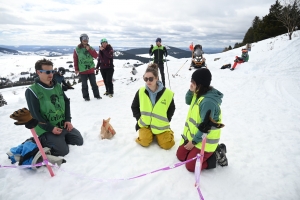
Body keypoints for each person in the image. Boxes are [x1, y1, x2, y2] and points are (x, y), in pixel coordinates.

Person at [25, 58, 83, 157]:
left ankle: (58, 139)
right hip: (46, 128)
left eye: (52, 71)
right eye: (47, 72)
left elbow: (66, 102)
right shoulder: (32, 91)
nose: (51, 74)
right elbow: (35, 115)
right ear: (38, 72)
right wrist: (50, 128)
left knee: (78, 141)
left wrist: (68, 120)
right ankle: (39, 140)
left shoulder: (57, 86)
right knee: (62, 152)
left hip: (61, 124)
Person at [176, 68, 228, 172]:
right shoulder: (199, 92)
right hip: (196, 137)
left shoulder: (207, 102)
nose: (191, 83)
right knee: (180, 156)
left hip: (205, 141)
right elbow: (187, 101)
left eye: (193, 82)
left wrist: (193, 142)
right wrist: (191, 90)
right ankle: (199, 152)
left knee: (190, 166)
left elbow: (206, 127)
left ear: (199, 84)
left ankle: (216, 154)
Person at [131, 63, 175, 150]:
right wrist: (139, 118)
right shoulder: (141, 91)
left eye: (151, 79)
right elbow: (134, 106)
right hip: (145, 124)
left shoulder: (167, 93)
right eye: (145, 79)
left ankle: (167, 132)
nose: (148, 82)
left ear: (156, 78)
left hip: (160, 125)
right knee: (144, 142)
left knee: (167, 145)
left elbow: (172, 108)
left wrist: (167, 119)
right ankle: (149, 133)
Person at [73, 33, 101, 101]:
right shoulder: (77, 49)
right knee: (84, 85)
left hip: (91, 69)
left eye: (86, 38)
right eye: (83, 38)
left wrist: (89, 50)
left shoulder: (91, 48)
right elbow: (75, 59)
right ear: (81, 40)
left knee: (94, 84)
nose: (85, 40)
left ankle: (97, 95)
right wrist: (76, 69)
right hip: (82, 70)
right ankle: (86, 97)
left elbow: (95, 56)